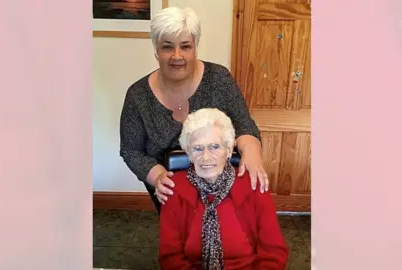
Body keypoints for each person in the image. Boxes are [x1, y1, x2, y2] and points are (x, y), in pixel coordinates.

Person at [119, 6, 269, 214]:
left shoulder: (219, 79)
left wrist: (253, 155)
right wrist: (157, 176)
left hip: (220, 184)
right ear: (156, 51)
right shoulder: (137, 96)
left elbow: (244, 125)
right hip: (169, 187)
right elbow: (131, 150)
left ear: (195, 47)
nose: (177, 56)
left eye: (185, 46)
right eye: (167, 47)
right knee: (180, 239)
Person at [158, 108, 289, 270]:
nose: (206, 157)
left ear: (228, 150)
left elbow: (273, 252)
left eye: (215, 147)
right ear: (189, 153)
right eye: (198, 148)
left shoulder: (253, 184)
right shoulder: (173, 189)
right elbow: (170, 257)